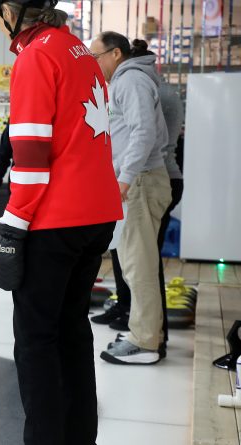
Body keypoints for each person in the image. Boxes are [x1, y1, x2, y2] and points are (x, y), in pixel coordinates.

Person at [0, 0, 123, 443]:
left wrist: (11, 229)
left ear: (11, 9)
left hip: (55, 221)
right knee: (72, 331)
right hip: (96, 214)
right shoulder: (78, 50)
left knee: (36, 341)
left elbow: (29, 155)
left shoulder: (36, 56)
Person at [91, 41, 185, 350]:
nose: (94, 61)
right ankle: (146, 333)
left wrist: (125, 179)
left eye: (96, 55)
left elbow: (144, 131)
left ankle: (144, 341)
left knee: (138, 264)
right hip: (140, 179)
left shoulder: (130, 80)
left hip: (141, 181)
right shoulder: (130, 80)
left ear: (115, 53)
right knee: (136, 262)